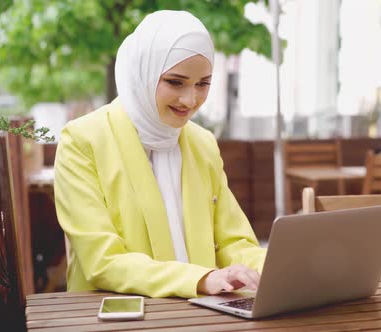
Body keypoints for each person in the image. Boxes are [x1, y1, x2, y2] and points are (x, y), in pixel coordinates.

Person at [54, 10, 266, 299]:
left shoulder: (202, 144)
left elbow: (234, 242)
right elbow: (103, 262)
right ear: (145, 72)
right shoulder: (82, 141)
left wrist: (275, 268)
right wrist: (202, 279)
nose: (190, 100)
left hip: (202, 317)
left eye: (203, 84)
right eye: (175, 82)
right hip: (117, 318)